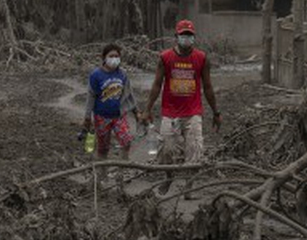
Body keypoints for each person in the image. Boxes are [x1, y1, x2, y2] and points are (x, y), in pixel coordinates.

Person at [142, 19, 219, 164]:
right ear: (176, 37)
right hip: (170, 113)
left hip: (193, 113)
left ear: (194, 37)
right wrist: (147, 109)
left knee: (195, 152)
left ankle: (189, 185)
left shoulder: (201, 58)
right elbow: (157, 85)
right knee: (166, 152)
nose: (186, 38)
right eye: (183, 35)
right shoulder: (165, 58)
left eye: (189, 35)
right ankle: (167, 181)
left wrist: (216, 113)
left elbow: (208, 87)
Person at [84, 44, 139, 159]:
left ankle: (123, 168)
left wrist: (136, 112)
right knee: (103, 148)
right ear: (104, 58)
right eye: (111, 56)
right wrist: (87, 117)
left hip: (119, 116)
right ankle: (102, 173)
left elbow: (129, 94)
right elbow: (91, 97)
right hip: (102, 117)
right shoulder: (96, 75)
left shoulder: (122, 74)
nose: (114, 59)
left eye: (117, 56)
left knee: (126, 141)